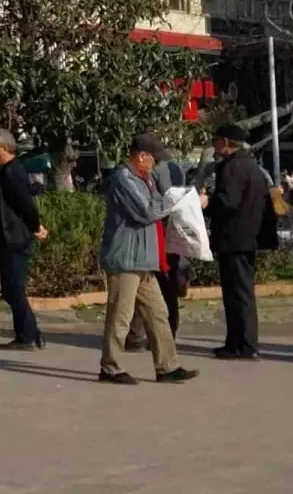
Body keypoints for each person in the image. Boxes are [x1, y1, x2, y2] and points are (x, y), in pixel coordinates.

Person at [97, 133, 200, 385]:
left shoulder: (145, 179)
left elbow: (155, 203)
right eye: (155, 159)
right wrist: (177, 202)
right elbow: (146, 211)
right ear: (141, 156)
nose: (157, 164)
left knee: (158, 313)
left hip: (144, 258)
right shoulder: (124, 178)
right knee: (121, 316)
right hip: (126, 259)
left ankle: (167, 366)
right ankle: (110, 367)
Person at [208, 124, 272, 360]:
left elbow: (228, 201)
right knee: (238, 291)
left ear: (225, 142)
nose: (214, 145)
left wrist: (207, 204)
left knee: (238, 292)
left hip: (234, 238)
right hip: (246, 237)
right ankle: (235, 340)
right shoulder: (251, 166)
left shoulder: (233, 167)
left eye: (215, 140)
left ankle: (244, 343)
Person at [0, 129, 49, 351]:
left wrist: (35, 227)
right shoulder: (3, 171)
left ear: (3, 148)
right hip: (6, 236)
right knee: (10, 289)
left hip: (15, 237)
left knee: (14, 288)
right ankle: (30, 331)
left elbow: (26, 204)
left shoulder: (13, 171)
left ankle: (27, 335)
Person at [127, 146, 189, 349]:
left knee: (153, 287)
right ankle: (161, 337)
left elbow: (162, 201)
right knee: (160, 287)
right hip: (162, 234)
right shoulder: (143, 174)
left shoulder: (148, 172)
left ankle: (141, 336)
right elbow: (166, 200)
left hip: (158, 235)